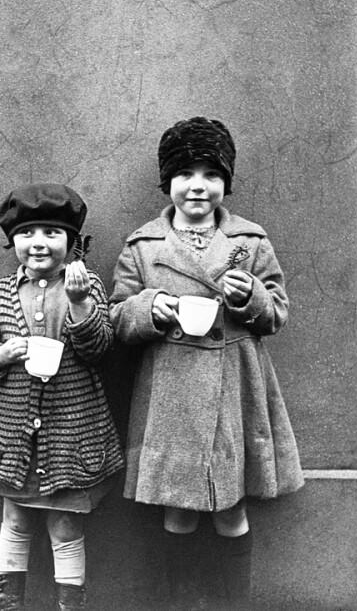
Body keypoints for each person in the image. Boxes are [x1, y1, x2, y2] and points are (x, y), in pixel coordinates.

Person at [108, 117, 304, 608]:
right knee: (178, 512)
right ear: (167, 182)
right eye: (185, 174)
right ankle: (178, 603)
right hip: (171, 392)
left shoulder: (251, 242)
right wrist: (148, 309)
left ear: (226, 183)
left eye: (211, 175)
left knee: (231, 511)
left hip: (234, 387)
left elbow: (277, 312)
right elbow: (114, 317)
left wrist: (252, 295)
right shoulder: (143, 246)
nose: (198, 186)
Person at [0, 183, 124, 611]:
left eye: (52, 233)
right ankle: (9, 603)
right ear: (13, 241)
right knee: (15, 520)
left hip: (71, 437)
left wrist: (77, 305)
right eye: (28, 233)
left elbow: (100, 348)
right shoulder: (0, 294)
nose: (39, 243)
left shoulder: (85, 284)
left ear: (73, 244)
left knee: (64, 527)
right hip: (14, 438)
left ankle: (70, 604)